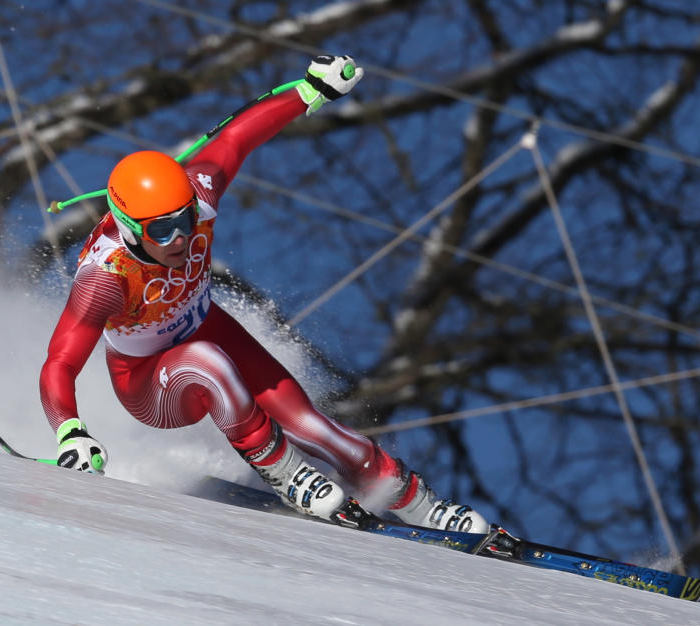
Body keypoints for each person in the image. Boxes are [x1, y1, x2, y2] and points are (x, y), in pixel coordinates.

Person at [39, 55, 489, 533]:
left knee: (316, 428)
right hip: (150, 384)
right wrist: (71, 433)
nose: (180, 237)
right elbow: (60, 363)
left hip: (206, 327)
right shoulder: (106, 277)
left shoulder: (200, 192)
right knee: (205, 360)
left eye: (185, 219)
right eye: (161, 229)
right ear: (130, 229)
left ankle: (417, 502)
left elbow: (237, 137)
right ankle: (283, 470)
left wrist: (312, 91)